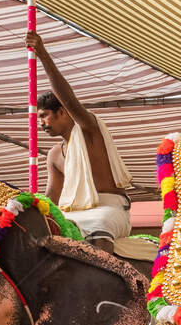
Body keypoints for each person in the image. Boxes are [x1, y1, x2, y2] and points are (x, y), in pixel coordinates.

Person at [28, 31, 154, 247]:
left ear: (63, 112)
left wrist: (43, 56)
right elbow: (51, 201)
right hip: (73, 215)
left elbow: (69, 99)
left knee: (98, 230)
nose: (41, 124)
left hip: (110, 210)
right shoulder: (54, 155)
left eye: (44, 116)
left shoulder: (89, 129)